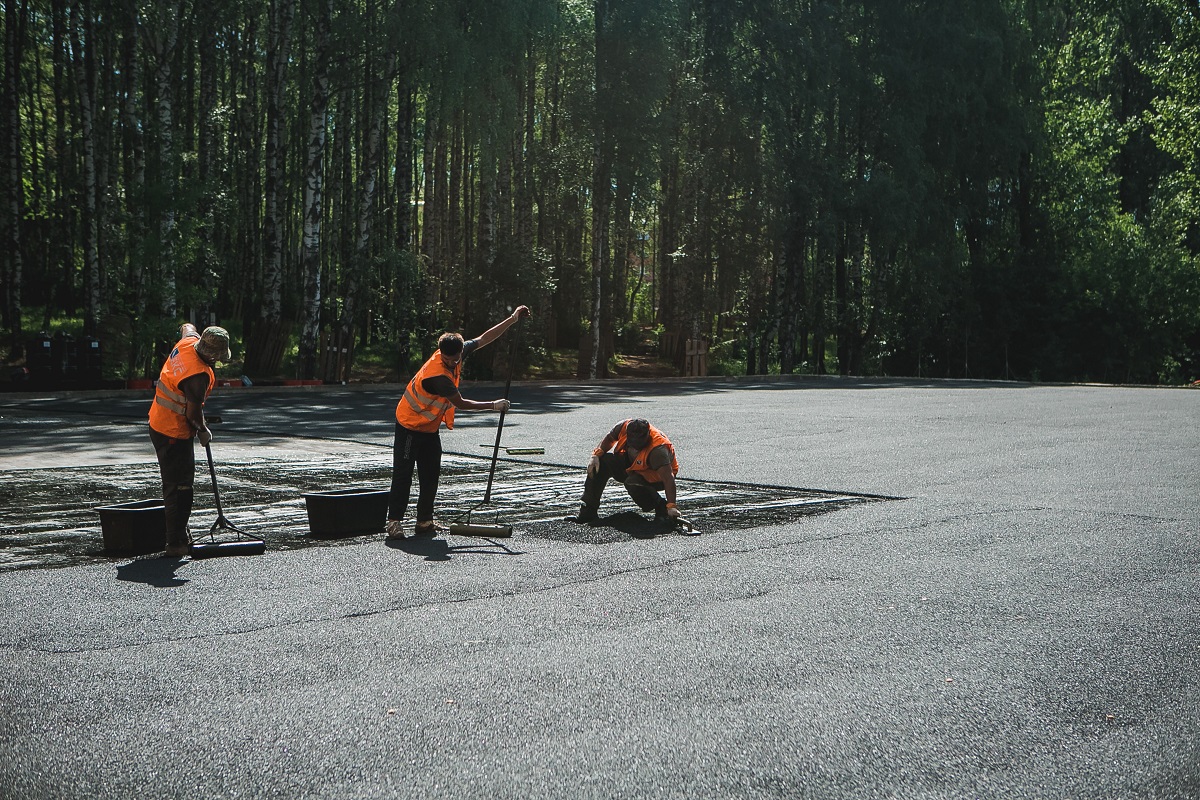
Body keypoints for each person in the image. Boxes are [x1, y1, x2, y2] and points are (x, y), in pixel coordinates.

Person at [386, 305, 531, 540]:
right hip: (409, 426)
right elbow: (461, 403)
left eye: (456, 359)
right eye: (449, 360)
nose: (453, 363)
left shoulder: (459, 351)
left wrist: (512, 319)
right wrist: (494, 405)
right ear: (441, 353)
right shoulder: (437, 376)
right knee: (403, 475)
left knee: (430, 474)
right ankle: (394, 522)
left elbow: (485, 338)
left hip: (429, 427)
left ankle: (424, 521)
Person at [148, 323, 232, 557]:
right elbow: (192, 415)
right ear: (212, 355)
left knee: (176, 483)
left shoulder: (187, 342)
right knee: (180, 487)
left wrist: (187, 326)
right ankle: (175, 543)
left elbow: (188, 327)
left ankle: (180, 532)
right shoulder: (197, 376)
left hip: (157, 421)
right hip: (172, 432)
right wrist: (203, 430)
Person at [569, 418, 683, 525]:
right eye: (633, 442)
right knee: (602, 462)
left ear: (648, 435)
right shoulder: (623, 426)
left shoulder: (658, 451)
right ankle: (588, 511)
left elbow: (668, 478)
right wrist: (596, 455)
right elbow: (609, 438)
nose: (636, 445)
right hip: (632, 467)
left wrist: (671, 505)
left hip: (655, 477)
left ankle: (661, 507)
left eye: (640, 442)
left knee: (632, 481)